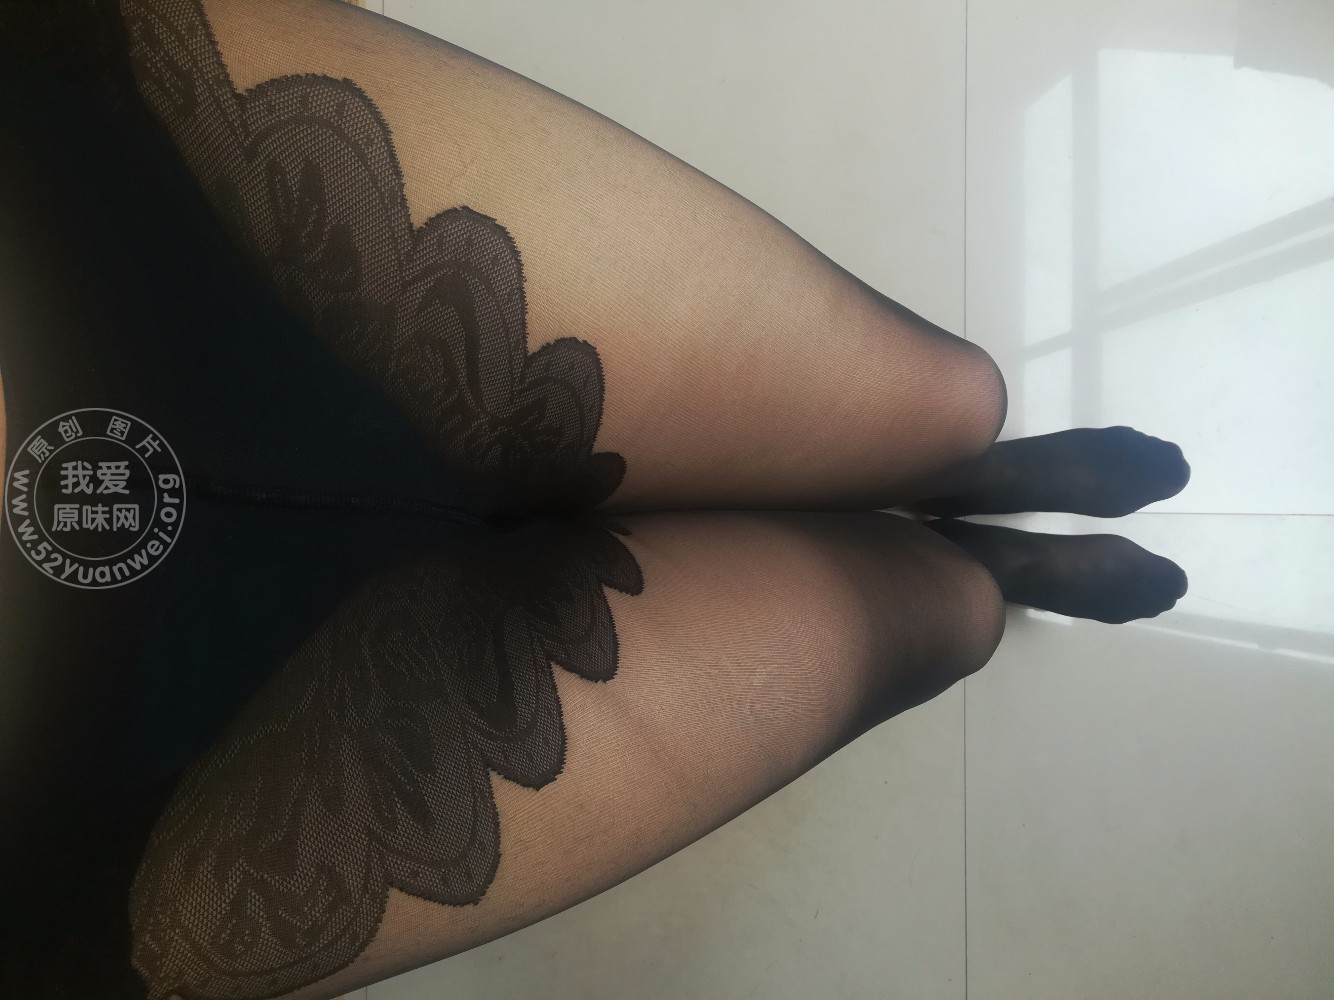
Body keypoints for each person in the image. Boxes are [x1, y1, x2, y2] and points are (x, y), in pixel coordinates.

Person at [0, 1, 1189, 998]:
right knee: (946, 617)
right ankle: (988, 565)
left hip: (83, 219)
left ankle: (955, 472)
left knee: (950, 398)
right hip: (81, 779)